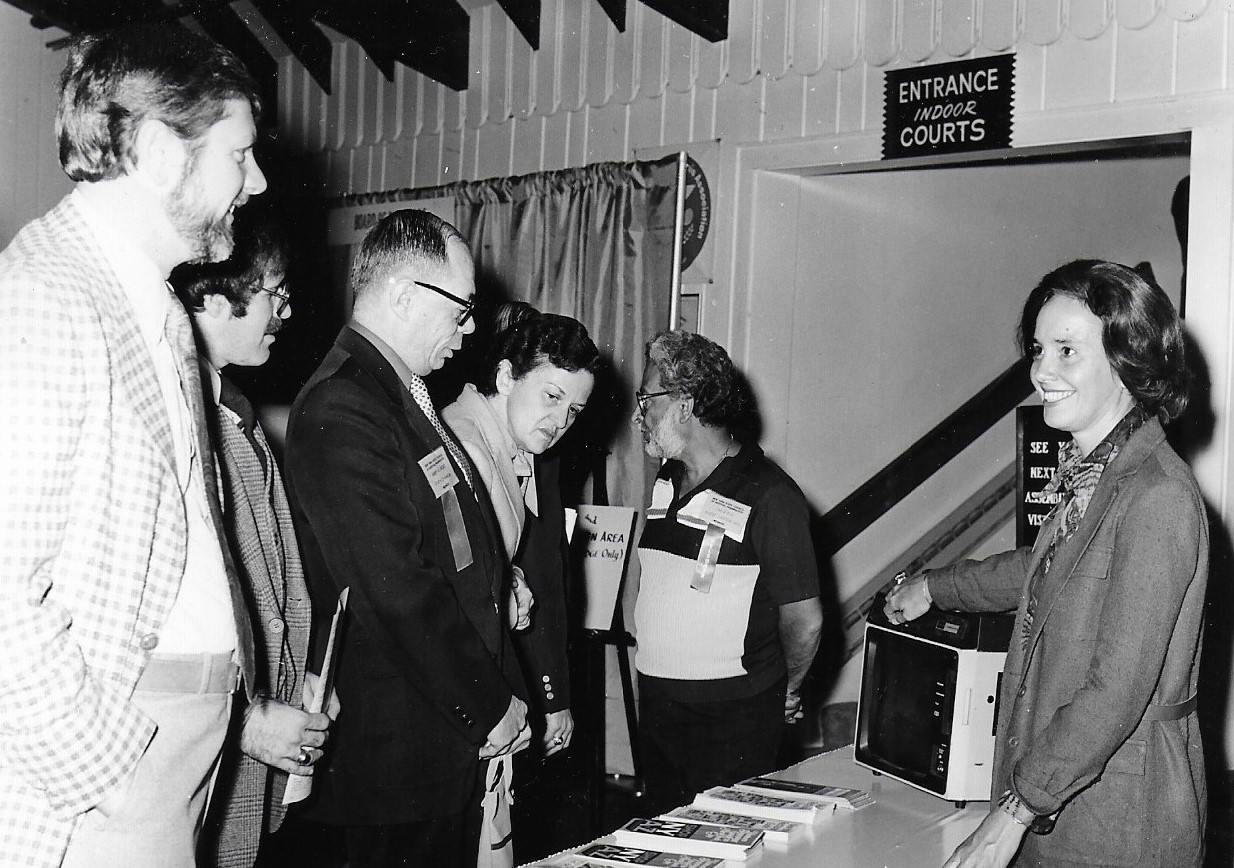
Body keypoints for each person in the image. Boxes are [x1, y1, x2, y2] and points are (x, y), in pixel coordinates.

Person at [0, 25, 267, 868]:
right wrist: (99, 771)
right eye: (238, 155)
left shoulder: (151, 301)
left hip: (182, 735)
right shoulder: (46, 295)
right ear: (158, 153)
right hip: (113, 763)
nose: (255, 182)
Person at [884, 260, 1208, 868]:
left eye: (1066, 351)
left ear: (1127, 360)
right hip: (1060, 803)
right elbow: (1047, 569)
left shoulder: (1158, 495)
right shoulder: (1098, 473)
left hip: (1118, 821)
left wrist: (1013, 814)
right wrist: (936, 586)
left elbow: (1117, 692)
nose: (1040, 372)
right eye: (1038, 349)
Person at [284, 209, 531, 868]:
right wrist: (487, 705)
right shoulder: (344, 406)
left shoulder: (402, 395)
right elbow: (396, 591)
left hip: (434, 745)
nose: (471, 328)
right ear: (402, 295)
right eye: (461, 310)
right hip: (396, 762)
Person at [171, 218, 335, 868]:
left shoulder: (235, 410)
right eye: (274, 292)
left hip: (249, 759)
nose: (285, 311)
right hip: (207, 751)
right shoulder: (183, 422)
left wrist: (298, 682)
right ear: (213, 300)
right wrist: (249, 720)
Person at [630, 330, 824, 814]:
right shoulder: (668, 479)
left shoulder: (771, 495)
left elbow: (806, 619)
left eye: (647, 399)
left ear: (684, 405)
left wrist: (790, 690)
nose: (639, 415)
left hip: (729, 719)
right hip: (657, 706)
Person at [443, 304, 600, 757]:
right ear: (507, 377)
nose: (559, 423)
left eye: (573, 410)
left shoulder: (508, 443)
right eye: (552, 397)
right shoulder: (467, 445)